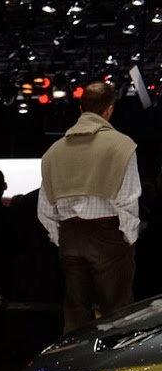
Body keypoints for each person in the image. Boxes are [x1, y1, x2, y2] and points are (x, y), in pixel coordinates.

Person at [38, 81, 141, 331]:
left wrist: (60, 236)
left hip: (70, 236)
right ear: (109, 110)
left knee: (75, 315)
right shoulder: (122, 146)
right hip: (108, 236)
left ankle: (75, 357)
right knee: (117, 315)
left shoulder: (54, 151)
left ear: (81, 108)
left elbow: (45, 207)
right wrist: (128, 238)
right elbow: (128, 198)